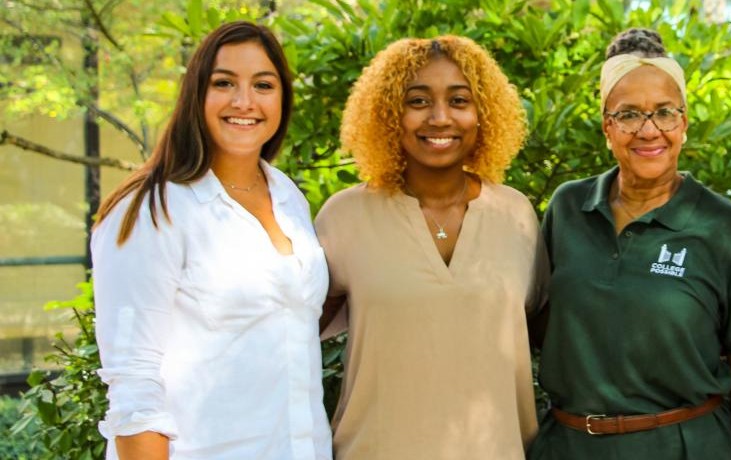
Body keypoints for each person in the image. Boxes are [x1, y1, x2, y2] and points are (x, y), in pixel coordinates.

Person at [528, 28, 731, 460]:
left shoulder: (726, 226)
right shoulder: (568, 207)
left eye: (664, 112)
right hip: (568, 446)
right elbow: (535, 324)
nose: (648, 130)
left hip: (684, 445)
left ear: (684, 123)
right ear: (606, 127)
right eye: (628, 115)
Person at [91, 22, 330, 459]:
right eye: (224, 83)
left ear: (283, 99)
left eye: (263, 84)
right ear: (196, 94)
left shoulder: (287, 196)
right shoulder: (152, 208)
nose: (245, 102)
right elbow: (134, 384)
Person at [315, 36, 541, 459]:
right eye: (417, 101)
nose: (440, 118)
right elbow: (291, 340)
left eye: (459, 101)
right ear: (388, 114)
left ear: (483, 114)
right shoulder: (343, 218)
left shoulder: (516, 216)